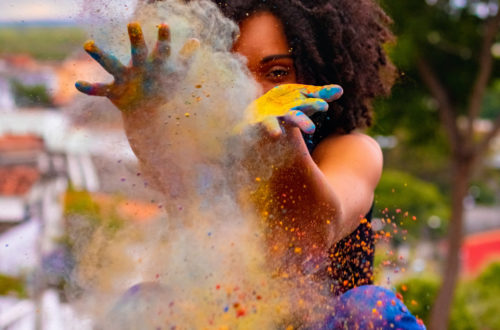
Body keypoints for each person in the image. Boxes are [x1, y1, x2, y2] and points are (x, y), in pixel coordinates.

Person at [76, 0, 425, 328]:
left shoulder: (351, 150)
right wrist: (144, 115)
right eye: (234, 72)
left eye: (276, 72)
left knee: (367, 306)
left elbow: (316, 231)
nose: (253, 91)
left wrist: (278, 140)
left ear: (315, 71)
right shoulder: (204, 159)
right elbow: (162, 165)